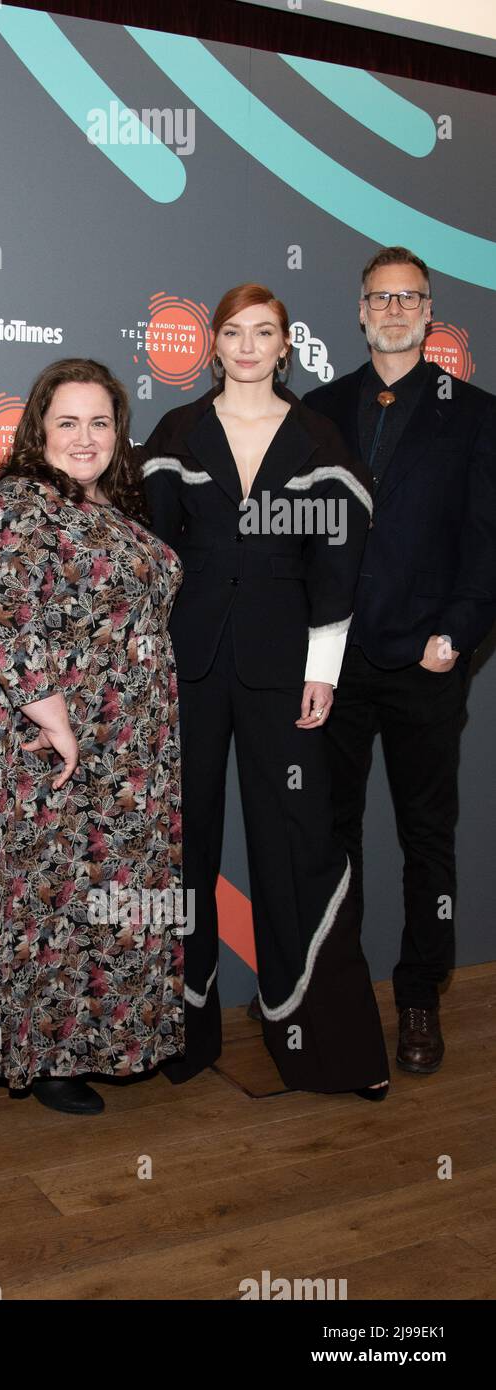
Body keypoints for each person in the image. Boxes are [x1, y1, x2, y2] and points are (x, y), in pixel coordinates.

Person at [142, 283, 389, 1097]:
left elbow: (338, 568)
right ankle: (177, 1035)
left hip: (288, 675)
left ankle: (323, 1042)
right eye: (233, 332)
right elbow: (148, 559)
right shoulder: (178, 433)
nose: (248, 346)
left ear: (287, 345)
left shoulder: (320, 439)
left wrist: (323, 673)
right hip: (190, 670)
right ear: (212, 344)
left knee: (300, 845)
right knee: (184, 848)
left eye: (265, 333)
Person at [0, 359, 184, 1115]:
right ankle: (44, 1058)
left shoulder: (109, 508)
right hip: (54, 755)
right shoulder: (20, 504)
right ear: (39, 429)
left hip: (129, 758)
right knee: (50, 907)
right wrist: (54, 716)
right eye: (67, 422)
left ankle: (106, 1042)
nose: (85, 436)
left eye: (100, 422)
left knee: (110, 905)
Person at [304, 247, 496, 1076]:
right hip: (335, 665)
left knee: (427, 840)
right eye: (379, 297)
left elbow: (488, 544)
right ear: (358, 310)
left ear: (430, 312)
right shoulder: (316, 410)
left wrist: (455, 633)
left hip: (426, 663)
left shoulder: (477, 415)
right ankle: (334, 992)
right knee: (330, 835)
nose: (392, 309)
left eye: (408, 296)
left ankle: (420, 996)